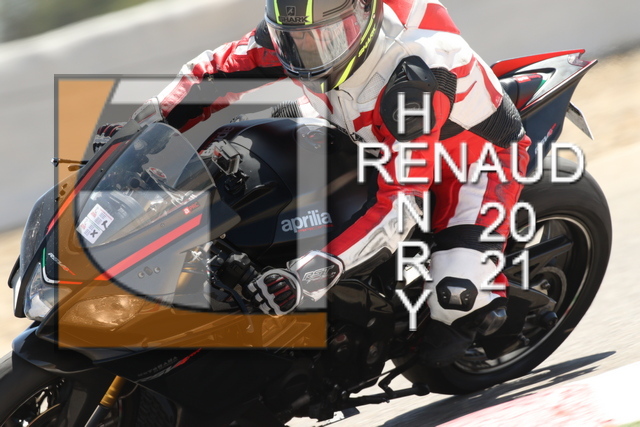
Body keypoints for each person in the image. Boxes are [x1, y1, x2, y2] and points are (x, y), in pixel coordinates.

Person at [96, 0, 531, 366]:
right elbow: (212, 72)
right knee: (244, 151)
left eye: (326, 37)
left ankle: (494, 315)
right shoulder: (296, 31)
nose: (307, 50)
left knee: (453, 303)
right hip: (352, 125)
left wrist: (312, 274)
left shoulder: (414, 78)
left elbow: (401, 206)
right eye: (293, 39)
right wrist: (145, 120)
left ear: (364, 15)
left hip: (469, 162)